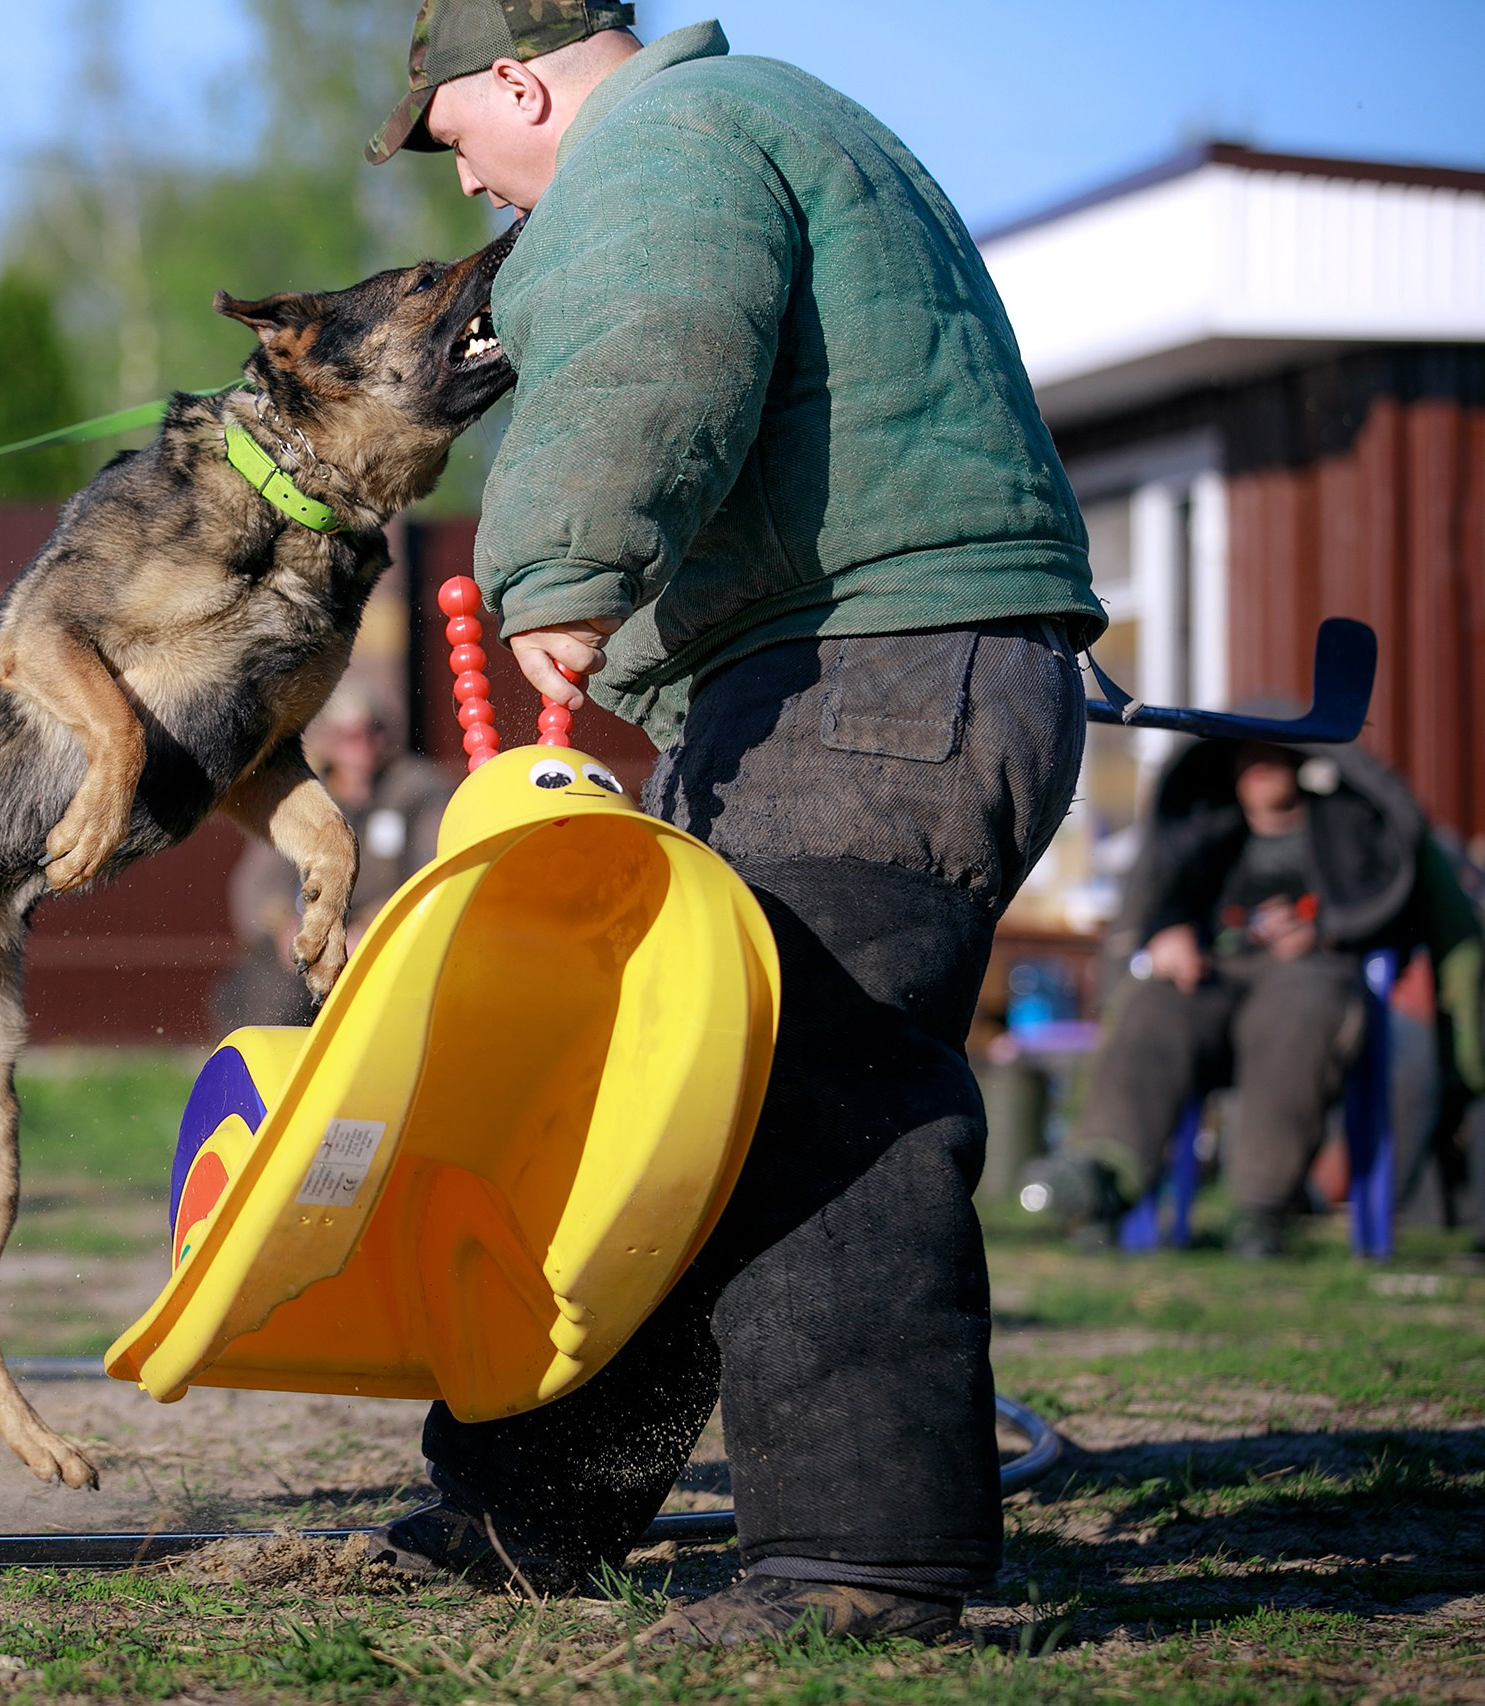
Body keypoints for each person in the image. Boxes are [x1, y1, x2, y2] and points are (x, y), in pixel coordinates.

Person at [361, 5, 1107, 1644]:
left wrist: (559, 561)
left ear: (521, 82)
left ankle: (860, 1563)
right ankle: (531, 1509)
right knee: (663, 1100)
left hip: (870, 687)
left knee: (807, 1102)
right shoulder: (768, 119)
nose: (467, 179)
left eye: (453, 135)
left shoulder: (661, 150)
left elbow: (652, 340)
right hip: (880, 681)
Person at [1025, 735, 1485, 1257]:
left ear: (1298, 761)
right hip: (1217, 976)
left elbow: (1386, 906)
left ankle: (1261, 1207)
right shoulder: (1209, 832)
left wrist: (1324, 929)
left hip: (1309, 972)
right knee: (1155, 1002)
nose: (1257, 767)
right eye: (1245, 757)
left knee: (1296, 1011)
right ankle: (1105, 1179)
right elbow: (1163, 902)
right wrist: (1169, 932)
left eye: (1270, 755)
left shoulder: (1345, 827)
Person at [213, 683, 454, 1033]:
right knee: (259, 995)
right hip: (309, 936)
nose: (361, 745)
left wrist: (373, 928)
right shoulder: (300, 796)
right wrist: (284, 928)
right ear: (328, 742)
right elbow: (258, 883)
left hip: (391, 940)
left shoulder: (420, 791)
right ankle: (270, 1080)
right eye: (347, 735)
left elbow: (433, 874)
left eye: (370, 731)